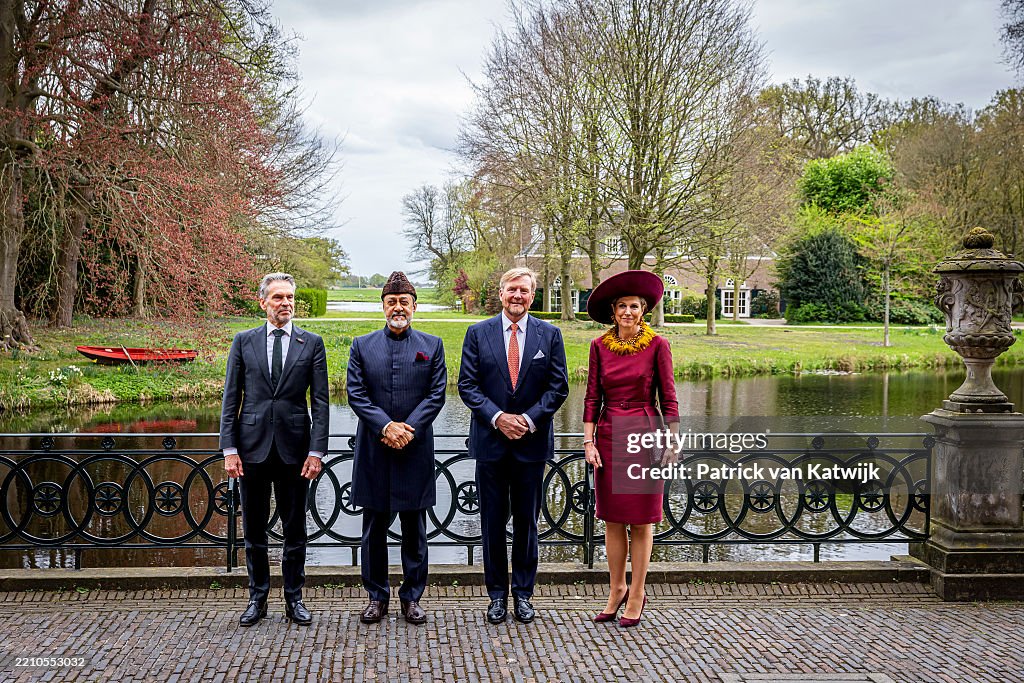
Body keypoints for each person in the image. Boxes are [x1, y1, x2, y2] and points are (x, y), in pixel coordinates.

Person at [458, 267, 569, 624]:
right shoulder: (478, 333)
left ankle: (523, 594)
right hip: (490, 444)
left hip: (531, 445)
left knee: (526, 523)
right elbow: (467, 385)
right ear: (501, 293)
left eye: (524, 290)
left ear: (532, 295)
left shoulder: (549, 334)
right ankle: (496, 596)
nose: (517, 295)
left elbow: (558, 387)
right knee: (491, 524)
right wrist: (498, 418)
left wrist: (528, 420)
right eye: (511, 289)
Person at [220, 272, 329, 627]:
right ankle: (258, 599)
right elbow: (231, 398)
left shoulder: (311, 343)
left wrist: (317, 452)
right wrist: (229, 449)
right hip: (251, 451)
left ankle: (294, 599)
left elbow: (321, 403)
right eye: (278, 297)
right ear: (263, 302)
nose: (286, 303)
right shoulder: (244, 341)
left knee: (295, 530)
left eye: (290, 297)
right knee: (254, 532)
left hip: (295, 451)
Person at [346, 271, 446, 625]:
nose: (398, 308)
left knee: (415, 531)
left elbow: (436, 395)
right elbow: (356, 393)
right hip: (374, 449)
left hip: (414, 449)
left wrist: (408, 430)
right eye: (392, 302)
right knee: (373, 530)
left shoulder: (432, 345)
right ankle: (377, 597)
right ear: (383, 306)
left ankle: (412, 598)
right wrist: (386, 426)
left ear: (414, 307)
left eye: (404, 302)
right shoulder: (362, 345)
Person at [582, 269, 679, 628]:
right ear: (613, 311)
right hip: (609, 434)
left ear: (643, 310)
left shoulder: (658, 345)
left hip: (645, 433)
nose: (627, 312)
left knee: (640, 521)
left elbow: (669, 396)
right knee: (611, 519)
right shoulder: (598, 346)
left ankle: (637, 592)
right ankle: (616, 589)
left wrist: (673, 439)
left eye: (634, 306)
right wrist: (588, 441)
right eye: (622, 306)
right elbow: (592, 397)